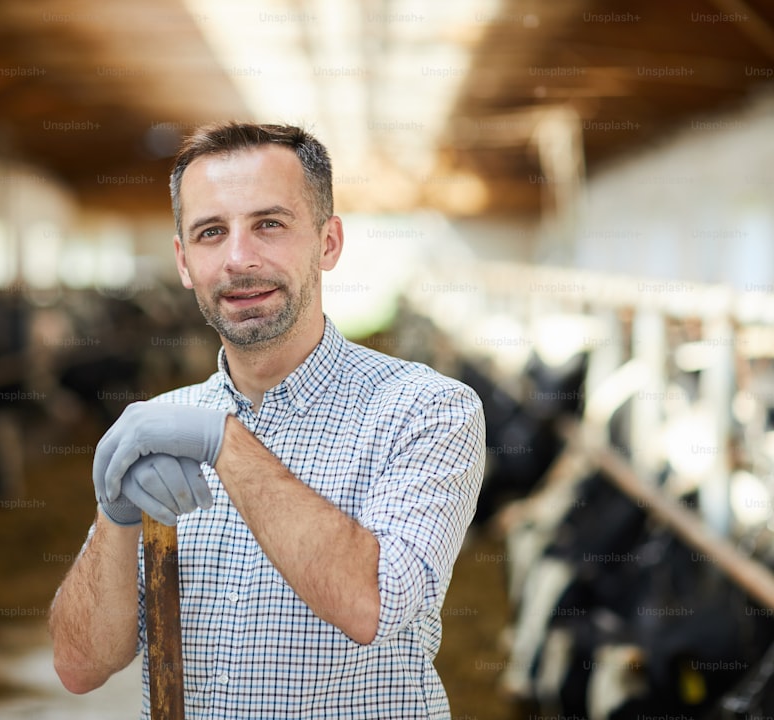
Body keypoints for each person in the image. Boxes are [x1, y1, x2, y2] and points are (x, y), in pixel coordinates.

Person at [48, 122, 486, 719]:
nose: (238, 259)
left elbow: (375, 606)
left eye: (269, 225)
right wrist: (115, 516)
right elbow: (79, 667)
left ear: (328, 242)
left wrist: (226, 440)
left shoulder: (425, 408)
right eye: (210, 233)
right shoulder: (163, 427)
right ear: (183, 261)